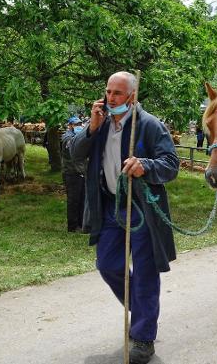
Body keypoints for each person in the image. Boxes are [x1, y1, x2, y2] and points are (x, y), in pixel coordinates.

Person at [71, 71, 179, 364]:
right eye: (108, 91)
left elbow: (170, 165)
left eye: (118, 93)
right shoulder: (100, 123)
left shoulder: (149, 125)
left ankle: (143, 337)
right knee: (108, 264)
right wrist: (90, 129)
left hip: (142, 208)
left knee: (145, 272)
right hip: (109, 206)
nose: (111, 97)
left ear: (132, 96)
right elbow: (74, 152)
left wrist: (145, 165)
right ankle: (143, 310)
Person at [61, 116, 87, 233]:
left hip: (81, 172)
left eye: (80, 124)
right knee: (73, 200)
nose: (78, 126)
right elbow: (72, 148)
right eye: (76, 124)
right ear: (70, 126)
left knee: (82, 199)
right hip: (71, 173)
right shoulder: (67, 137)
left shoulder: (79, 136)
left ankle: (81, 224)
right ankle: (72, 226)